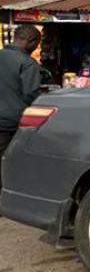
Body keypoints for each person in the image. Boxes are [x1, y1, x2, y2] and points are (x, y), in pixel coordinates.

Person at [0, 24, 43, 187]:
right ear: (31, 42)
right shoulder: (27, 63)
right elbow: (31, 94)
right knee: (8, 163)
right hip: (10, 123)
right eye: (37, 44)